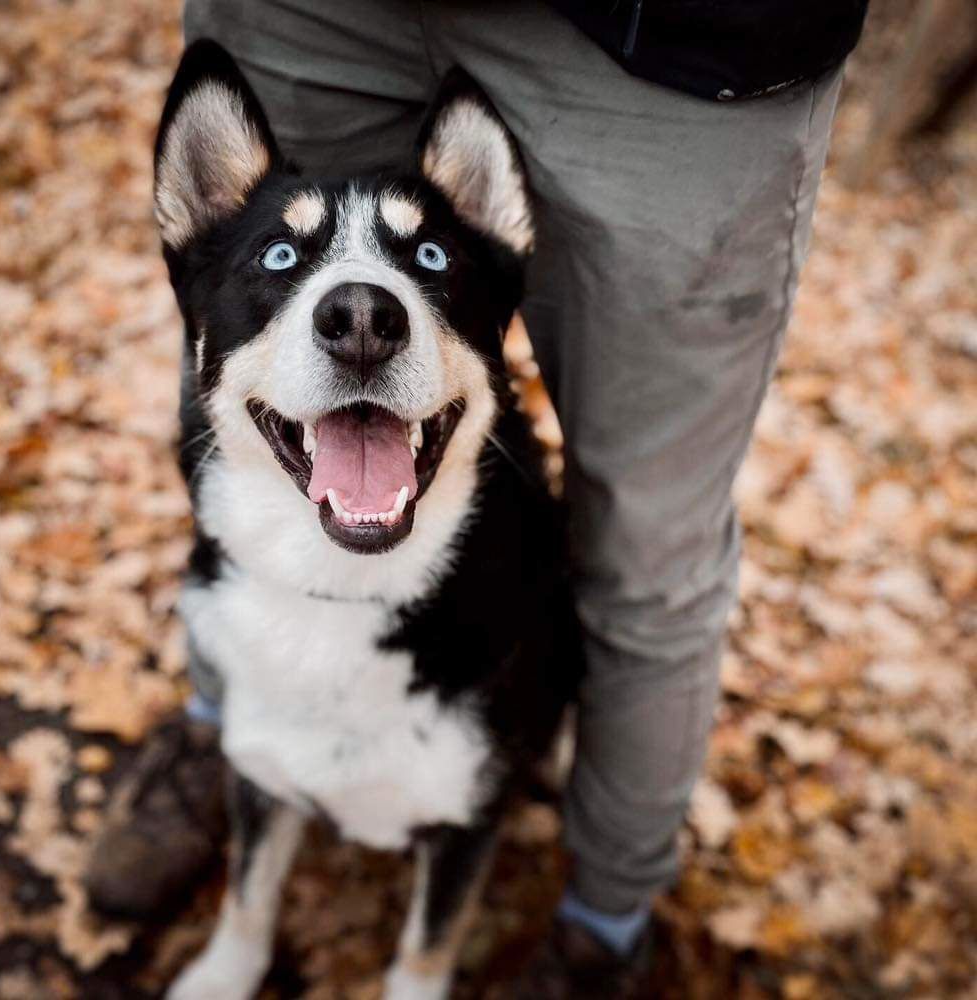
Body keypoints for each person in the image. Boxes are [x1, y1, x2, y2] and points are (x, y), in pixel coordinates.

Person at [86, 2, 868, 994]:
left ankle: (602, 922)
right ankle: (227, 743)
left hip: (673, 38)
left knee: (646, 554)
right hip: (313, 13)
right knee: (232, 424)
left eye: (422, 265)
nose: (362, 314)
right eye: (285, 263)